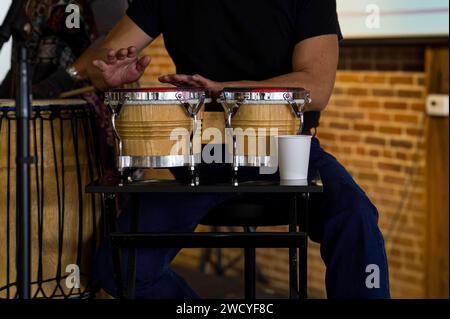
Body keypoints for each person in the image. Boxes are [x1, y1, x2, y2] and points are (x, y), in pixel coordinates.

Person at [89, 0, 390, 299]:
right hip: (202, 151)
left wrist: (225, 89)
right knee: (119, 268)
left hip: (285, 148)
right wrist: (107, 75)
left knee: (355, 216)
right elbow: (101, 60)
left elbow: (317, 86)